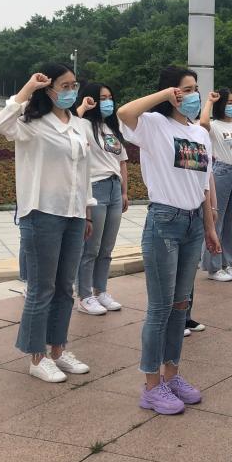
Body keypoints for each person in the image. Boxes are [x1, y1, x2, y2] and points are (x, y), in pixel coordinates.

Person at [117, 65, 221, 414]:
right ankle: (151, 386)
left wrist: (209, 227)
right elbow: (124, 113)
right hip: (164, 221)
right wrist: (164, 96)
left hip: (193, 223)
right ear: (171, 93)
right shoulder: (154, 125)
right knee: (160, 308)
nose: (192, 96)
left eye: (194, 89)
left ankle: (172, 375)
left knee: (181, 305)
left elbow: (203, 185)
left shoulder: (200, 133)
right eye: (185, 90)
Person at [0, 66, 95, 382]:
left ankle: (58, 350)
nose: (71, 91)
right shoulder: (31, 124)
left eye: (74, 85)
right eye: (64, 86)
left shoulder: (79, 124)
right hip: (42, 212)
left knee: (65, 287)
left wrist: (87, 211)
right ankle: (37, 357)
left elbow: (84, 172)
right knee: (42, 288)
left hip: (73, 213)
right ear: (48, 89)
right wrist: (28, 87)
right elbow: (1, 123)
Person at [73, 83, 129, 315]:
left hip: (115, 187)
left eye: (110, 97)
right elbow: (68, 124)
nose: (107, 102)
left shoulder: (113, 127)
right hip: (95, 187)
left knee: (106, 247)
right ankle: (84, 296)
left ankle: (100, 291)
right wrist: (83, 107)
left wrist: (124, 191)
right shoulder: (85, 125)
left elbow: (122, 162)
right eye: (102, 98)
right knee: (91, 248)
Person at [200, 88, 232, 281]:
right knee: (216, 219)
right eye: (229, 102)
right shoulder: (214, 125)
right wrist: (209, 101)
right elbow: (203, 123)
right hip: (222, 171)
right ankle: (213, 267)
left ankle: (227, 263)